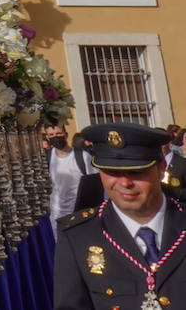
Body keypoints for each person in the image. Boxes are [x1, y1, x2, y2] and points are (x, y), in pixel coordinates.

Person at [55, 122, 186, 310]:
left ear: (161, 168)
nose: (125, 183)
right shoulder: (77, 236)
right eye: (112, 172)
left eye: (136, 171)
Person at [46, 123, 96, 232]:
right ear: (47, 137)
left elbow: (95, 182)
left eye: (59, 133)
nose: (55, 137)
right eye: (51, 135)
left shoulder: (82, 156)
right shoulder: (47, 158)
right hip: (56, 214)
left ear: (66, 134)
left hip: (79, 212)